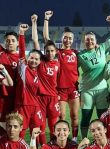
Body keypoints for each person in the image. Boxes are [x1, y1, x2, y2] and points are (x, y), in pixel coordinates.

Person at [78, 15, 110, 138]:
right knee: (86, 117)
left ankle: (104, 141)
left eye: (92, 39)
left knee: (103, 117)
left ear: (96, 41)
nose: (89, 41)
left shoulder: (102, 48)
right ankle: (84, 140)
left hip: (102, 90)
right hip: (87, 91)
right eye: (87, 40)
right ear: (84, 41)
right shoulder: (80, 55)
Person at [43, 11, 80, 141]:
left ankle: (74, 139)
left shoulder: (76, 53)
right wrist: (46, 20)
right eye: (65, 37)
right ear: (62, 38)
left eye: (70, 38)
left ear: (73, 39)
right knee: (62, 115)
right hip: (60, 90)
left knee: (75, 115)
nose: (68, 40)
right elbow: (47, 38)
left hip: (73, 89)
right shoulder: (57, 52)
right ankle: (61, 138)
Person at [15, 24, 43, 139]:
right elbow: (21, 49)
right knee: (21, 131)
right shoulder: (23, 67)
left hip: (36, 106)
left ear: (40, 61)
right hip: (23, 105)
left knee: (36, 131)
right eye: (31, 58)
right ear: (27, 57)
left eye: (36, 59)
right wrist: (21, 33)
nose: (33, 61)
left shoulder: (41, 72)